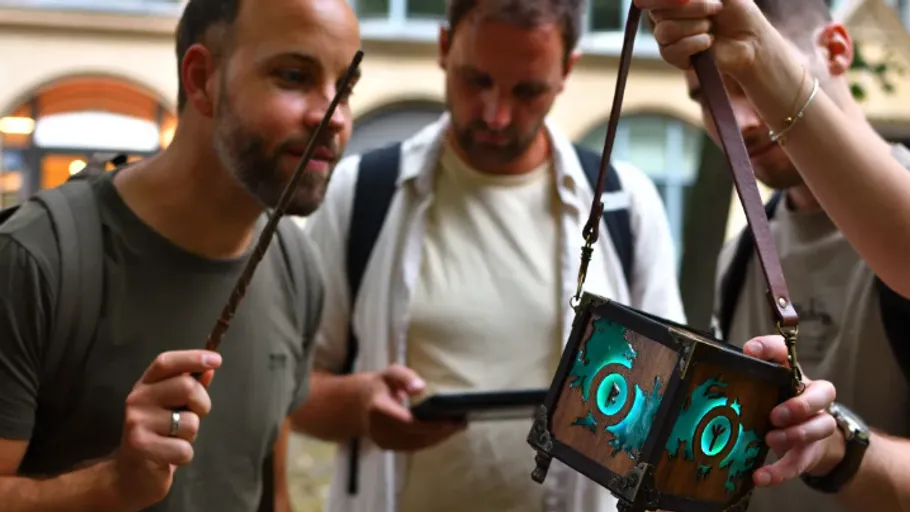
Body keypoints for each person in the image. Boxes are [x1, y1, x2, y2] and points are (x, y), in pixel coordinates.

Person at [290, 1, 687, 511]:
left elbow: (667, 397)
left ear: (567, 70)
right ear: (442, 48)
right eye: (475, 81)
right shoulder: (360, 191)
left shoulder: (624, 203)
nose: (496, 114)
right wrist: (360, 406)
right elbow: (294, 390)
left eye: (527, 91)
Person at [0, 0, 360, 510]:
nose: (334, 117)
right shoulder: (35, 258)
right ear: (202, 78)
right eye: (294, 76)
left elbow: (269, 492)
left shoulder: (296, 267)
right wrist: (111, 485)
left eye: (344, 89)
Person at [635, 0, 910, 510]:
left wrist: (837, 447)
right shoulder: (740, 257)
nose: (738, 120)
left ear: (836, 49)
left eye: (750, 81)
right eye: (711, 97)